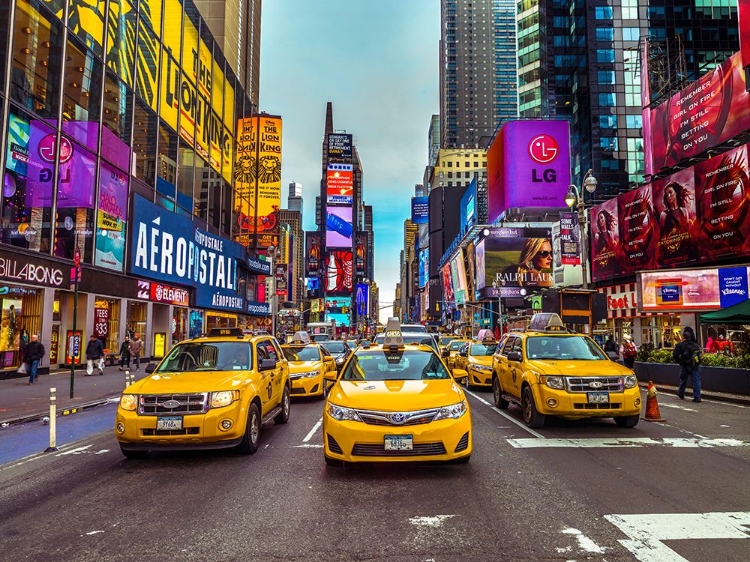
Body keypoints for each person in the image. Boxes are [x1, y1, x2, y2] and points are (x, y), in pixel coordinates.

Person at [673, 326, 702, 402]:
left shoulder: (680, 345)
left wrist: (680, 361)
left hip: (685, 365)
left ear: (683, 337)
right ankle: (697, 396)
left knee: (683, 379)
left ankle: (681, 392)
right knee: (696, 380)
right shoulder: (695, 345)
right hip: (695, 365)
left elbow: (675, 355)